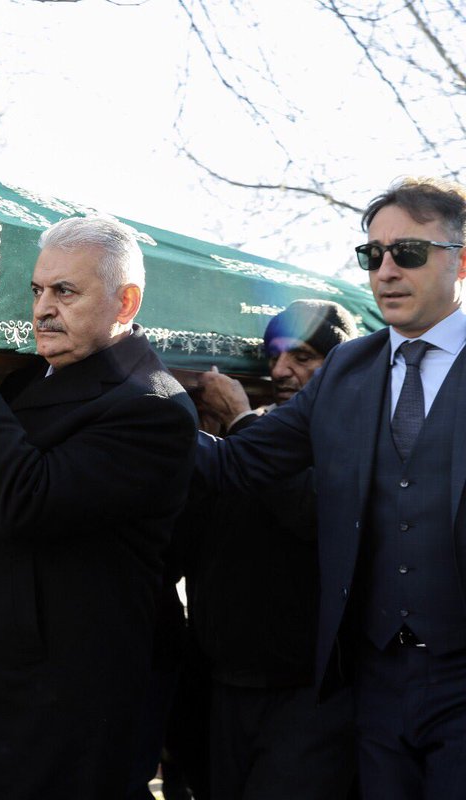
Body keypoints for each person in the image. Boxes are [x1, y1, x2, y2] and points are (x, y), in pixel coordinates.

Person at [0, 216, 198, 797]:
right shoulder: (23, 385)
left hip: (53, 709)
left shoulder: (153, 406)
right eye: (37, 290)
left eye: (65, 291)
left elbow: (28, 501)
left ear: (125, 302)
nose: (42, 309)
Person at [194, 177, 466, 799]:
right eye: (373, 254)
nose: (386, 270)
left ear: (461, 261)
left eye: (408, 252)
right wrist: (143, 401)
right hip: (374, 683)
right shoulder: (347, 369)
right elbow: (238, 463)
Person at [188, 300, 359, 798]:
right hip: (228, 685)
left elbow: (310, 511)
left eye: (302, 357)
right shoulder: (251, 433)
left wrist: (241, 422)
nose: (281, 371)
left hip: (309, 694)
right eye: (275, 356)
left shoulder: (356, 437)